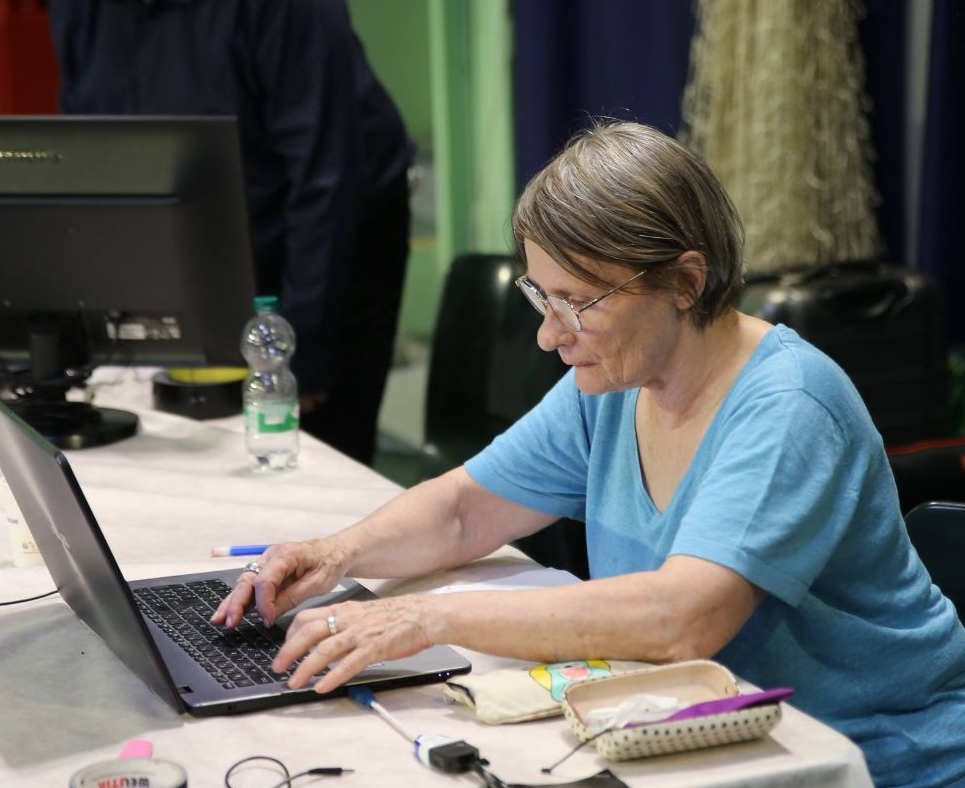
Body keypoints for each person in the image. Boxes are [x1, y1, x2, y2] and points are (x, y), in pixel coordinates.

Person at [212, 121, 965, 787]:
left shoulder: (788, 404)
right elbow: (466, 509)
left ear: (685, 281)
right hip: (704, 736)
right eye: (542, 298)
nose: (550, 333)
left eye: (577, 302)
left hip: (868, 757)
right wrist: (334, 555)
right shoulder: (613, 384)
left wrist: (427, 618)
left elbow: (683, 618)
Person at [47, 0, 415, 465]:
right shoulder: (81, 11)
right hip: (203, 228)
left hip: (329, 233)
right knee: (184, 445)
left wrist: (300, 355)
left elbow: (326, 176)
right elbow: (93, 155)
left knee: (311, 442)